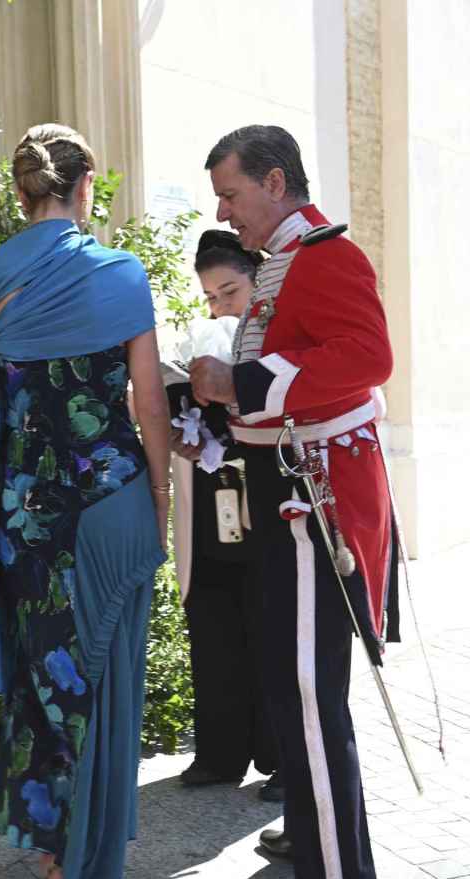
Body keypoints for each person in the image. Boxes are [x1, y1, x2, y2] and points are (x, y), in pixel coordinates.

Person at [0, 123, 170, 879]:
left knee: (44, 690)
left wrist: (17, 488)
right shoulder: (119, 273)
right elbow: (149, 405)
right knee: (109, 689)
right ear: (85, 191)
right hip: (112, 506)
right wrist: (161, 502)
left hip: (26, 517)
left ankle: (52, 871)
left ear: (20, 193)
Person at [190, 125, 399, 879]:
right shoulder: (285, 259)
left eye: (232, 194)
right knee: (297, 698)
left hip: (309, 504)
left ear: (274, 183)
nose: (223, 212)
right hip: (288, 496)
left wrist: (238, 380)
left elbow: (366, 356)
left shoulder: (320, 254)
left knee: (309, 706)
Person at [169, 230, 283, 800]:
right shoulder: (198, 340)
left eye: (230, 291)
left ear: (256, 279)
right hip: (212, 500)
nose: (220, 307)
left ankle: (285, 757)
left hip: (267, 498)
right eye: (211, 298)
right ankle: (219, 751)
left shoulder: (282, 329)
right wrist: (183, 424)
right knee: (212, 620)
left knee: (274, 626)